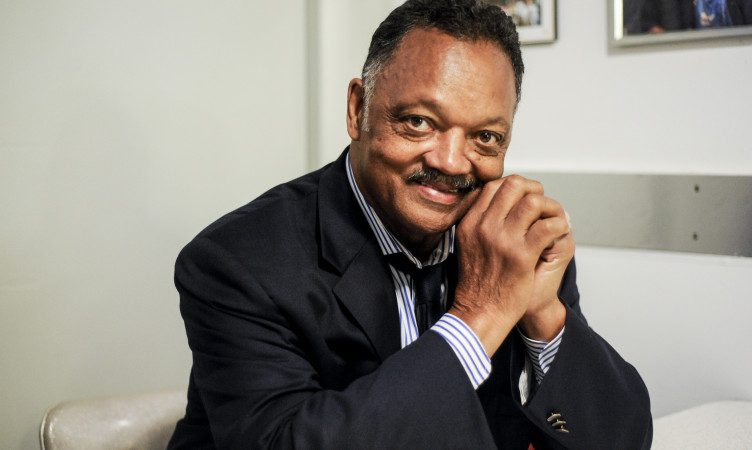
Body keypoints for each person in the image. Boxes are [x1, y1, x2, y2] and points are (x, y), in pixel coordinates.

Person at [167, 1, 652, 448]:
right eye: (419, 122)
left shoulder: (510, 242)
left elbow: (620, 440)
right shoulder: (238, 261)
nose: (452, 161)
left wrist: (543, 315)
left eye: (485, 136)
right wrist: (476, 320)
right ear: (358, 109)